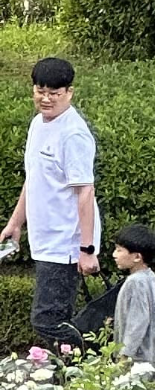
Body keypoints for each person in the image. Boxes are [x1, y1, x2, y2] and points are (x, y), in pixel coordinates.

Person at [2, 55, 99, 345]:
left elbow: (86, 192)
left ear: (69, 92)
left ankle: (89, 367)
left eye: (54, 94)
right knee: (57, 317)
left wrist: (87, 248)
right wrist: (16, 222)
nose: (46, 99)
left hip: (64, 243)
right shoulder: (37, 125)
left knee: (47, 319)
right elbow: (34, 179)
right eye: (40, 92)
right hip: (44, 239)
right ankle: (70, 378)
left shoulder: (73, 134)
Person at [106, 225, 155, 369]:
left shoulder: (136, 282)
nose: (114, 254)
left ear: (137, 257)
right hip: (154, 355)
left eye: (119, 250)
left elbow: (138, 321)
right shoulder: (150, 276)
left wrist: (125, 354)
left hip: (139, 360)